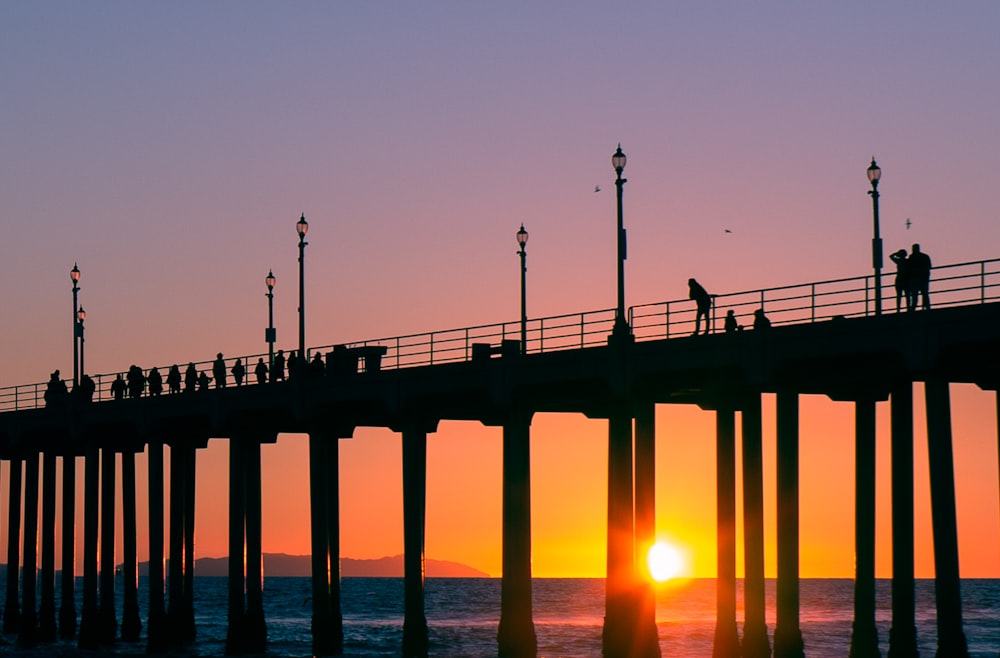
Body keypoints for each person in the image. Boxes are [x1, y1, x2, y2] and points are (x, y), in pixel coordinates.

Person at [907, 243, 931, 311]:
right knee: (924, 293)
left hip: (916, 278)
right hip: (921, 278)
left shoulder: (912, 257)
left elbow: (908, 268)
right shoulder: (924, 256)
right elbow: (929, 267)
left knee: (916, 294)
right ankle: (927, 307)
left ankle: (914, 308)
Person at [889, 248, 910, 313]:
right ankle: (908, 309)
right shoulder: (907, 261)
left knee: (900, 295)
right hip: (905, 278)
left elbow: (891, 256)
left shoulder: (899, 261)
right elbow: (891, 256)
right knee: (906, 295)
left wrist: (896, 253)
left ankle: (898, 309)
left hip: (901, 278)